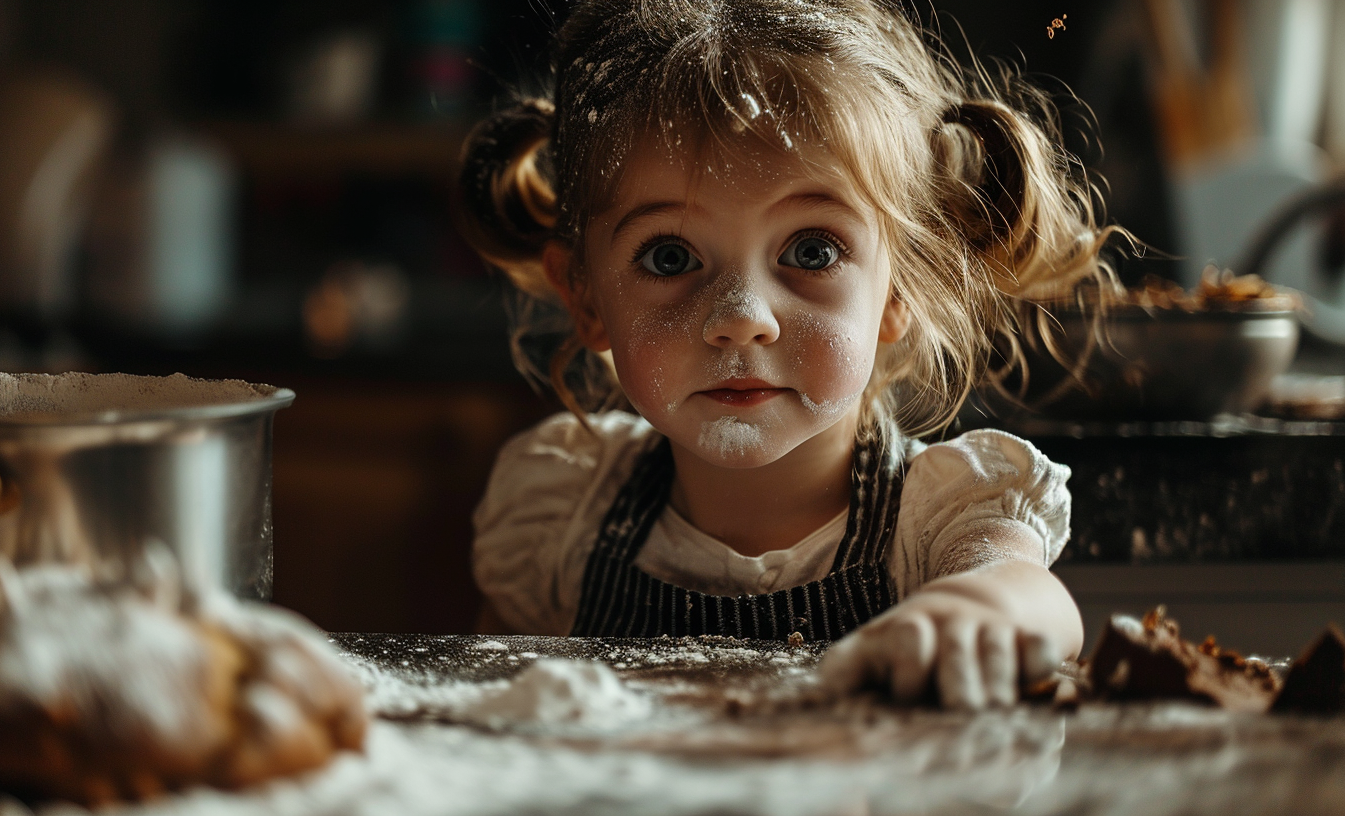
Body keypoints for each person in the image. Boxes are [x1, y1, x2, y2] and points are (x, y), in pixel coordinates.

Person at [453, 0, 1120, 709]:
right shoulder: (562, 517)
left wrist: (981, 608)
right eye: (670, 255)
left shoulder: (941, 518)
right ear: (587, 300)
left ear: (901, 290)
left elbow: (1031, 596)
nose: (741, 319)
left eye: (811, 251)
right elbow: (497, 727)